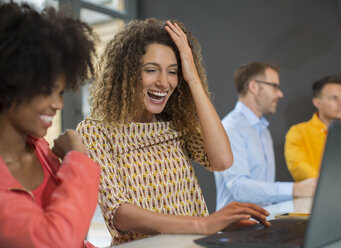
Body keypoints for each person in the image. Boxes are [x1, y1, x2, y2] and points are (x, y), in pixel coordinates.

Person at [77, 18, 270, 245]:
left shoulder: (175, 123)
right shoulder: (95, 131)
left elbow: (222, 161)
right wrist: (203, 224)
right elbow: (120, 214)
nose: (164, 82)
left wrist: (193, 79)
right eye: (151, 70)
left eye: (173, 72)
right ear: (127, 74)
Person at [0, 2, 100, 248]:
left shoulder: (44, 152)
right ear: (7, 81)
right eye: (47, 90)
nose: (58, 105)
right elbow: (55, 240)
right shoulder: (68, 157)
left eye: (61, 92)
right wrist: (78, 157)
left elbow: (74, 238)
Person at [214, 62, 317, 210]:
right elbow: (239, 187)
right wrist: (296, 189)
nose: (280, 94)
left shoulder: (263, 130)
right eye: (274, 86)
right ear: (253, 87)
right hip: (237, 228)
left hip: (263, 222)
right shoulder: (231, 128)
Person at [285, 75, 341, 181]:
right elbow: (298, 167)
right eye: (334, 98)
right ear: (317, 102)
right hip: (315, 195)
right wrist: (330, 184)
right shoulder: (298, 132)